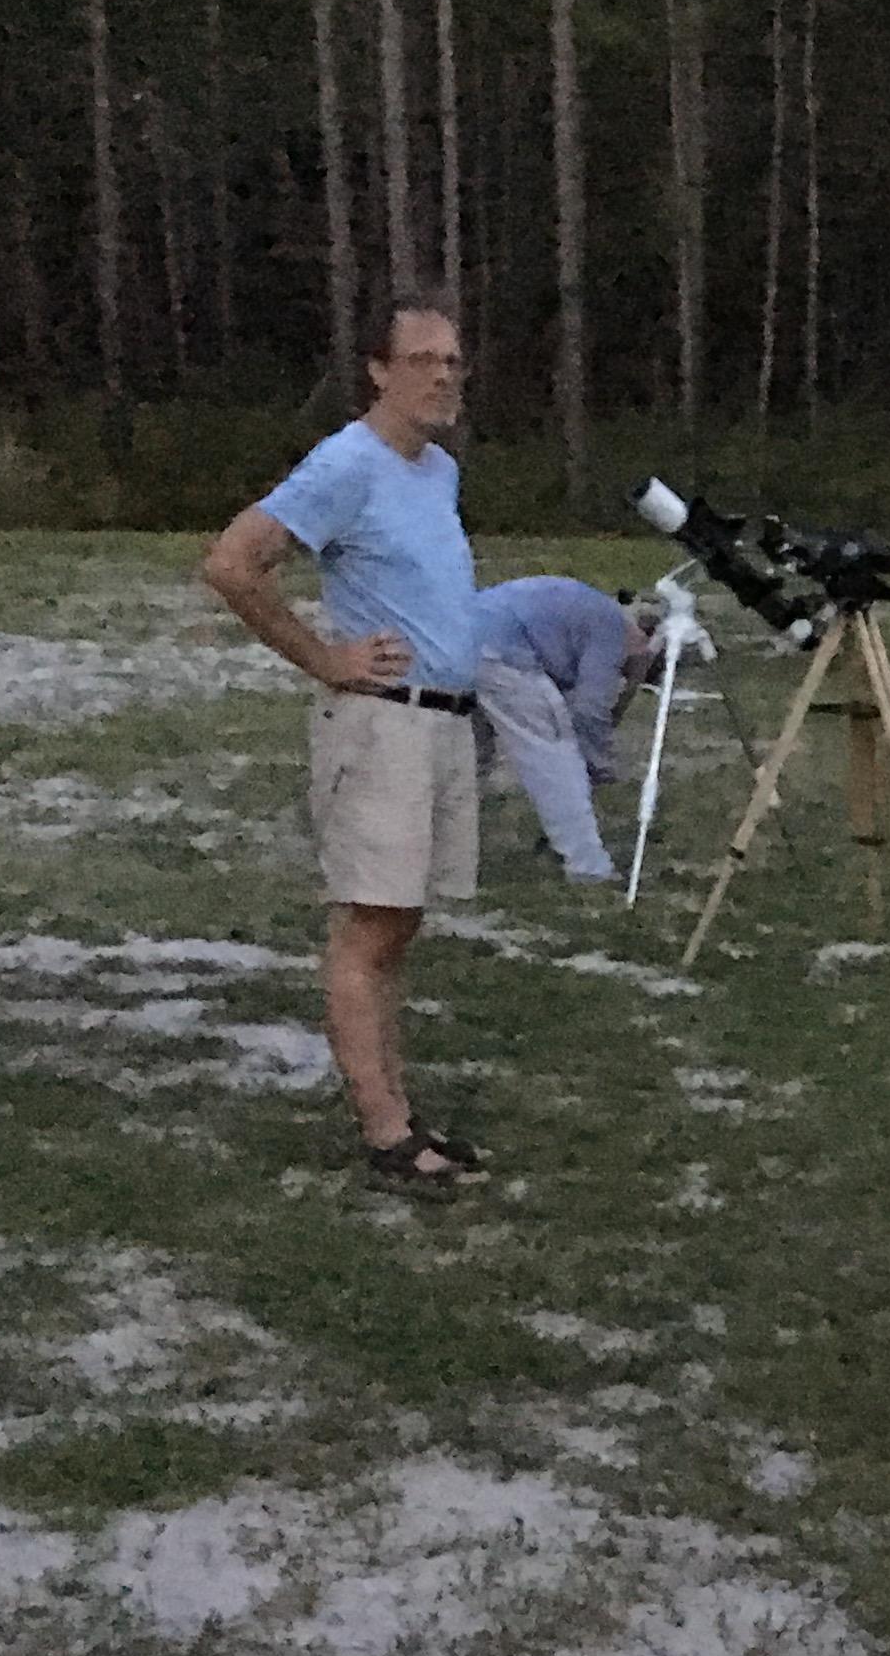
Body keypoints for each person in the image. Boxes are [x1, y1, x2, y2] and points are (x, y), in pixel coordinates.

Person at [198, 292, 487, 1200]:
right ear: (378, 370)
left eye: (453, 360)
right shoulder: (345, 463)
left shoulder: (436, 471)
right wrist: (324, 659)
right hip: (381, 725)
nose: (443, 375)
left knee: (399, 926)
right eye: (423, 360)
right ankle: (386, 1137)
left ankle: (400, 1114)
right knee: (369, 929)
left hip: (440, 723)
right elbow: (233, 563)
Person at [474, 571, 656, 881]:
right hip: (503, 652)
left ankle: (442, 856)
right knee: (554, 757)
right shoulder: (612, 629)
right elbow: (589, 710)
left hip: (457, 636)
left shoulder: (584, 606)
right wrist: (597, 763)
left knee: (465, 761)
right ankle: (587, 866)